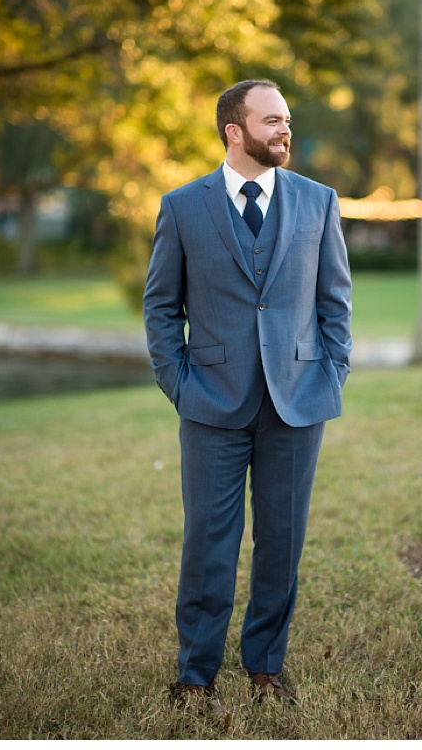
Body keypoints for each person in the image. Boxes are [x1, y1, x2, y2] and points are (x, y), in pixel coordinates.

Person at [142, 80, 352, 722]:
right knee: (209, 540)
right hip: (210, 404)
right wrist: (180, 384)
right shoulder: (183, 207)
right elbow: (160, 307)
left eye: (287, 120)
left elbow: (335, 303)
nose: (284, 130)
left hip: (297, 400)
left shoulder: (319, 202)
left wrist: (332, 372)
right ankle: (195, 673)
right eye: (272, 121)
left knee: (281, 541)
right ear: (234, 131)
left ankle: (266, 665)